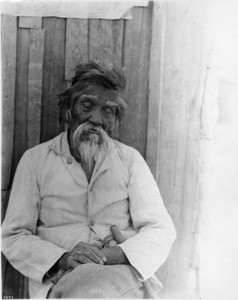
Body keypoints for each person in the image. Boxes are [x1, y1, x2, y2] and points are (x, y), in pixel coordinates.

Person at [2, 61, 176, 298]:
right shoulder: (35, 161)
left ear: (114, 119)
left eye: (108, 110)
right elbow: (13, 236)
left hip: (122, 274)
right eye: (88, 105)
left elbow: (160, 229)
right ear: (68, 109)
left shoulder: (129, 160)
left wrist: (113, 255)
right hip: (62, 278)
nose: (96, 118)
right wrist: (63, 258)